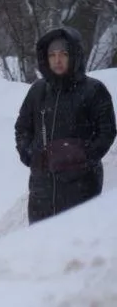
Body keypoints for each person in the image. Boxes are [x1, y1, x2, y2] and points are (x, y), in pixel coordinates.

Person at [13, 26, 115, 224]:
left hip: (81, 187)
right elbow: (23, 127)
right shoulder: (38, 91)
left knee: (76, 247)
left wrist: (83, 156)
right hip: (42, 188)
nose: (57, 60)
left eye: (63, 54)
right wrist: (29, 154)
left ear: (74, 55)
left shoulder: (93, 90)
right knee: (41, 246)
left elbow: (107, 131)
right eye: (52, 55)